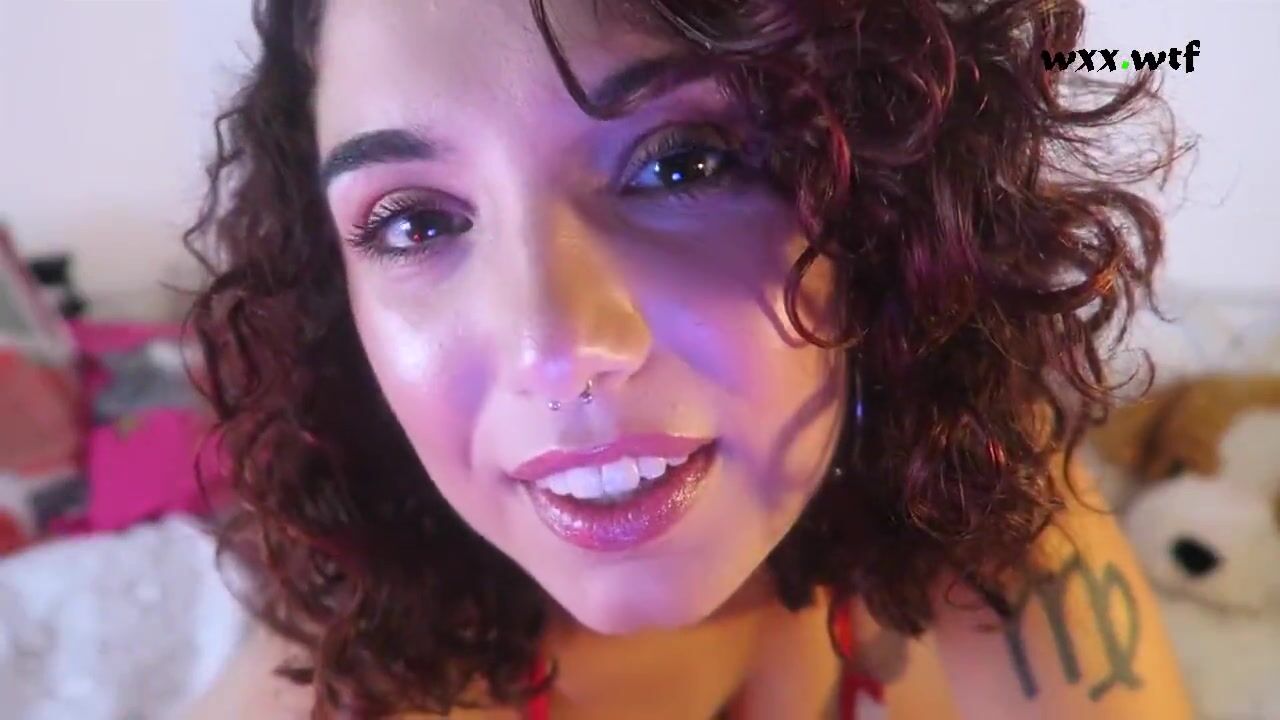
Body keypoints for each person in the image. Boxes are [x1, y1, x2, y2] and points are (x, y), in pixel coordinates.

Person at [181, 0, 1195, 717]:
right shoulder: (356, 666)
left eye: (681, 164)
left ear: (884, 200)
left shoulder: (981, 480)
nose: (553, 349)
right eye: (416, 223)